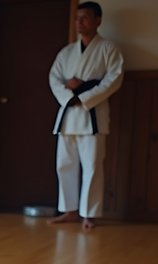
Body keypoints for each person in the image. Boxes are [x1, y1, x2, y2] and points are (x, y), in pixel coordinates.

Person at [47, 1, 124, 230]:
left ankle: (88, 214)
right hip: (68, 113)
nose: (80, 22)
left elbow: (114, 79)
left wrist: (84, 97)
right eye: (77, 18)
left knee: (91, 166)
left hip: (92, 114)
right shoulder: (67, 52)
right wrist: (69, 94)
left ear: (98, 21)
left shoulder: (109, 49)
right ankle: (70, 211)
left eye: (85, 18)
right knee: (64, 164)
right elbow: (54, 78)